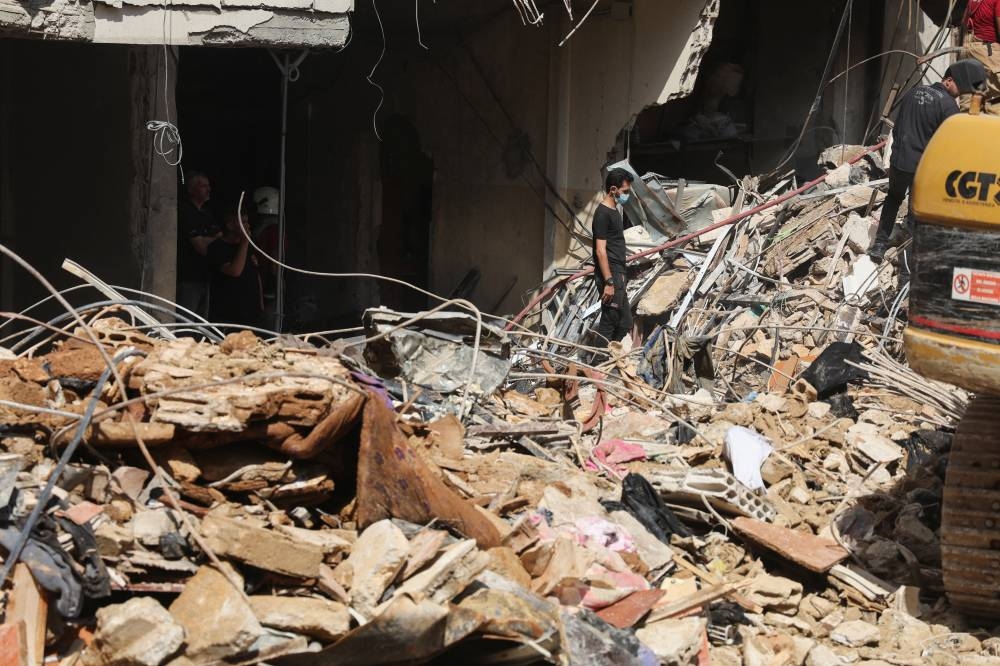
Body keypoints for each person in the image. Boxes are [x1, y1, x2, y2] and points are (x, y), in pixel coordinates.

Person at [869, 60, 987, 263]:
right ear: (948, 80)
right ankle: (912, 256)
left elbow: (897, 129)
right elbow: (951, 145)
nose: (959, 95)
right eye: (959, 88)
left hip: (899, 160)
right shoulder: (949, 106)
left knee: (893, 199)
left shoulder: (912, 93)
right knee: (918, 210)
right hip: (921, 169)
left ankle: (879, 246)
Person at [591, 168, 634, 347]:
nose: (627, 195)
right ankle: (597, 364)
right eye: (625, 192)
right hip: (611, 276)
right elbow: (600, 251)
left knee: (625, 322)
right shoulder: (602, 214)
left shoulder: (615, 211)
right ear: (613, 189)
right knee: (609, 321)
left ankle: (609, 356)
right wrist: (609, 283)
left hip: (619, 273)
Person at [206, 204, 264, 328]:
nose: (247, 226)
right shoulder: (217, 248)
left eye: (247, 221)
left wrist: (260, 303)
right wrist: (244, 243)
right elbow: (235, 271)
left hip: (251, 312)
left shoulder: (250, 246)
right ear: (230, 225)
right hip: (228, 313)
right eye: (242, 222)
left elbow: (256, 273)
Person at [176, 172, 221, 317]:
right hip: (188, 278)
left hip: (205, 277)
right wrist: (211, 239)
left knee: (201, 326)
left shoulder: (207, 214)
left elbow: (220, 237)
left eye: (208, 186)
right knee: (186, 323)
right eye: (203, 186)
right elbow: (201, 247)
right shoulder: (185, 212)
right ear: (191, 189)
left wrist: (206, 239)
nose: (208, 189)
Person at [962, 0, 1000, 114]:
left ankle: (969, 129)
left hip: (968, 51)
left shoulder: (971, 2)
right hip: (988, 50)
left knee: (970, 102)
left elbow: (963, 23)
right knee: (996, 101)